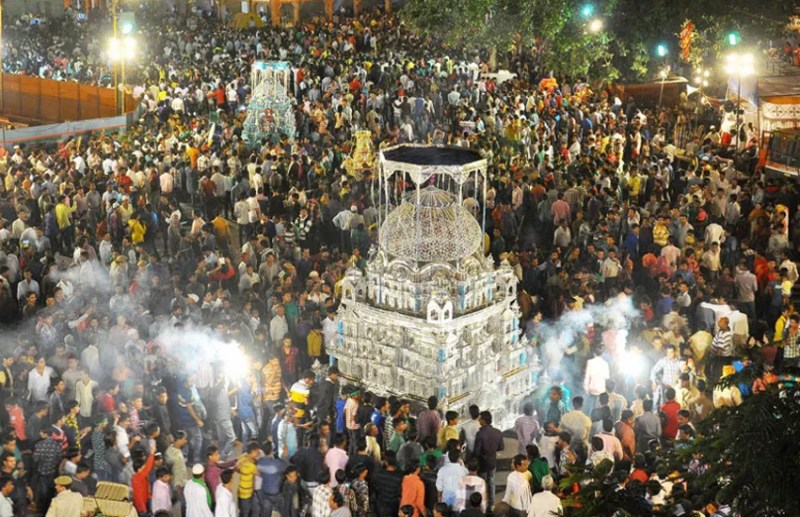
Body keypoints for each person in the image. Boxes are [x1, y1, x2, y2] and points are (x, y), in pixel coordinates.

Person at [473, 410, 504, 509]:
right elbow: (501, 447)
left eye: (480, 418)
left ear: (484, 420)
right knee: (491, 482)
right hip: (492, 461)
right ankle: (491, 504)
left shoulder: (480, 434)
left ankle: (483, 503)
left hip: (482, 463)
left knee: (482, 482)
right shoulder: (498, 432)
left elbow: (477, 451)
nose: (479, 420)